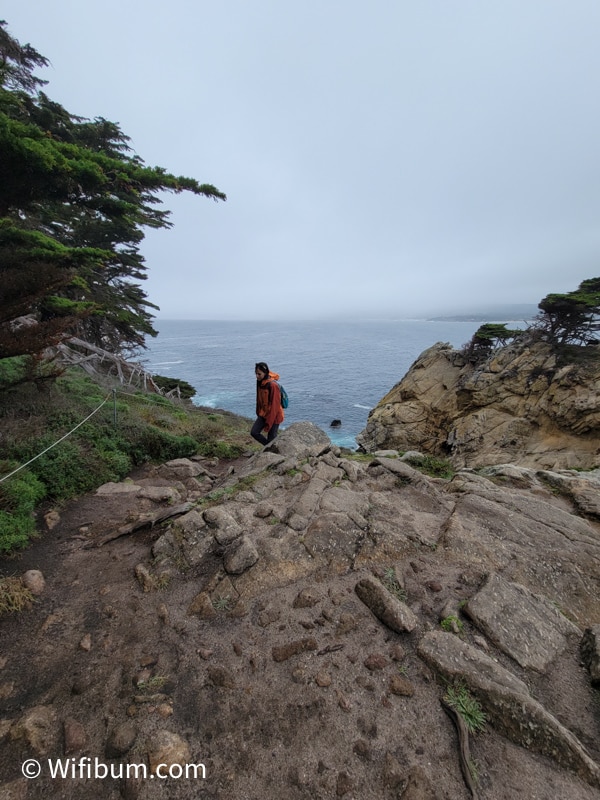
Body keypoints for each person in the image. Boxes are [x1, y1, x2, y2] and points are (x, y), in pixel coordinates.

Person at [251, 361, 284, 445]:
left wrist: (269, 423)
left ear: (265, 373)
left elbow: (275, 407)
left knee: (271, 439)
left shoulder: (273, 385)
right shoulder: (260, 382)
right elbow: (258, 399)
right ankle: (269, 449)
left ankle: (271, 450)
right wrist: (258, 412)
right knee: (254, 432)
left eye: (259, 374)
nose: (257, 376)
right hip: (264, 413)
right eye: (256, 374)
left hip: (275, 416)